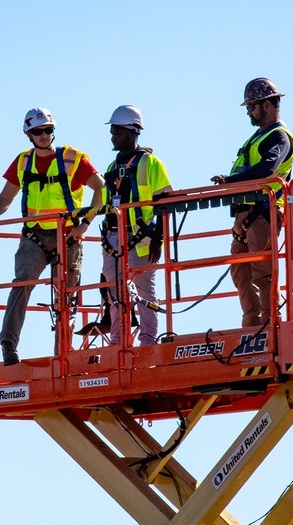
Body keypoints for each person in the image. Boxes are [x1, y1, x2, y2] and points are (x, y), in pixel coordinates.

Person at [0, 108, 105, 365]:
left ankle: (63, 353)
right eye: (38, 132)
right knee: (22, 283)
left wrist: (86, 224)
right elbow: (6, 197)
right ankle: (8, 346)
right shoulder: (24, 162)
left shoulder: (73, 158)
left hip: (67, 236)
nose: (44, 135)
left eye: (48, 130)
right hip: (33, 237)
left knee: (67, 295)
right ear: (29, 134)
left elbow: (101, 188)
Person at [211, 77, 293, 328]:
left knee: (263, 274)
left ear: (268, 105)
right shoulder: (257, 137)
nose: (249, 112)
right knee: (240, 271)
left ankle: (272, 326)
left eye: (252, 106)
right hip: (245, 217)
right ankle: (252, 325)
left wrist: (231, 180)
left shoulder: (279, 137)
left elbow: (267, 169)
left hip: (263, 214)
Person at [100, 105, 172, 346]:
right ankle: (118, 343)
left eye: (117, 131)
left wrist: (158, 239)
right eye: (112, 131)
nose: (113, 136)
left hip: (141, 240)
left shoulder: (151, 164)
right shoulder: (112, 167)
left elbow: (165, 203)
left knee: (145, 294)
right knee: (115, 295)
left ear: (133, 131)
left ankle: (148, 342)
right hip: (112, 240)